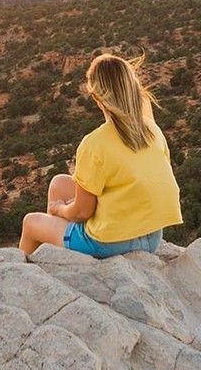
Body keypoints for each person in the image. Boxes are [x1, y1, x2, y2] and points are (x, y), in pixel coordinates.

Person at [18, 52, 182, 258]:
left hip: (110, 243)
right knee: (59, 183)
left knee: (31, 222)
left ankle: (37, 263)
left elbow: (82, 212)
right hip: (152, 237)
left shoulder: (95, 143)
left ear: (96, 97)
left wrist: (60, 210)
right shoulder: (151, 129)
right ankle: (63, 244)